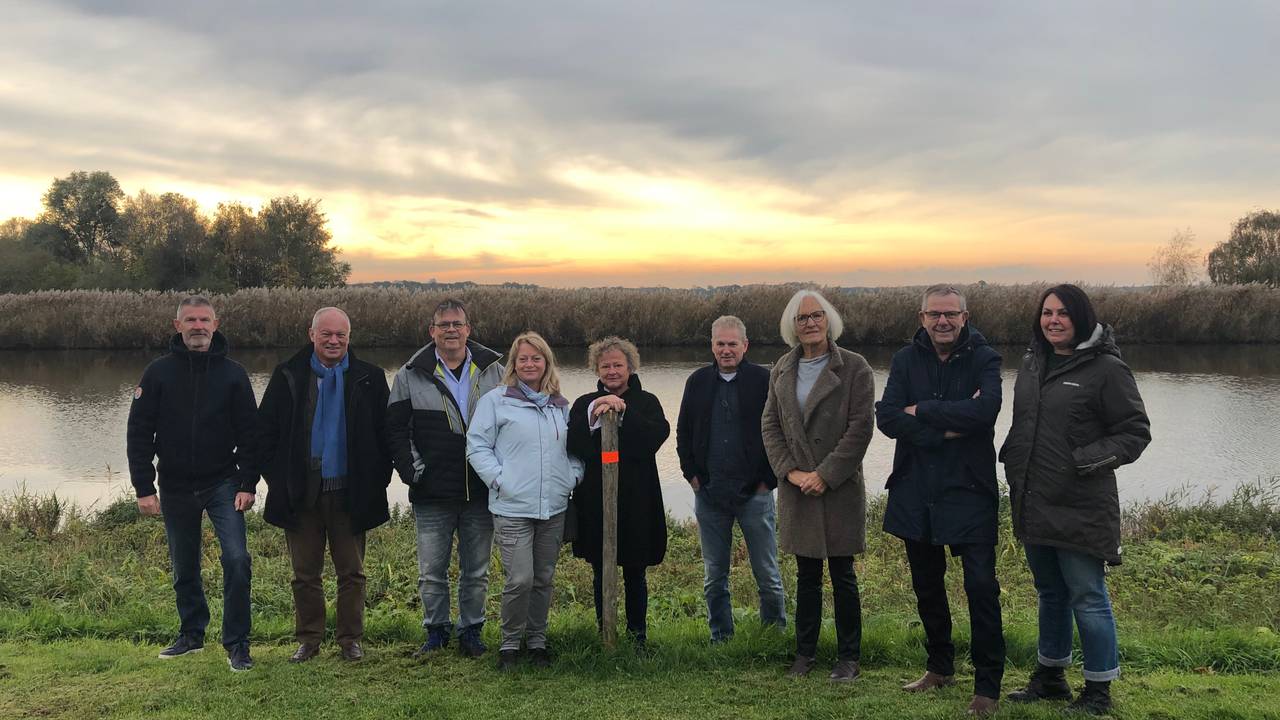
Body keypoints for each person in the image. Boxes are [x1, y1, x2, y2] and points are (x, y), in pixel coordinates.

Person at [1000, 284, 1151, 715]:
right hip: (1033, 498)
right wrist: (1012, 456)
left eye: (1063, 313)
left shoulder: (1106, 368)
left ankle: (1099, 689)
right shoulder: (1032, 363)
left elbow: (1135, 433)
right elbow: (1025, 424)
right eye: (1047, 312)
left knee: (1087, 594)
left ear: (1081, 318)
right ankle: (1050, 677)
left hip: (1081, 503)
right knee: (1049, 592)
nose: (1053, 320)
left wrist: (1082, 461)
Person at [874, 284, 1005, 715]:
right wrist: (950, 424)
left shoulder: (985, 358)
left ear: (965, 318)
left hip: (970, 490)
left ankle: (987, 686)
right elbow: (888, 417)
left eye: (951, 314)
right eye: (935, 315)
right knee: (927, 586)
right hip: (917, 489)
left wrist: (922, 411)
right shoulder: (904, 359)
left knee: (981, 587)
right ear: (922, 318)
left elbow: (985, 413)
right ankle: (940, 667)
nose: (943, 322)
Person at [126, 295, 258, 671]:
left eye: (204, 320)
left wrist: (248, 482)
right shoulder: (157, 373)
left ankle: (237, 643)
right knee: (184, 566)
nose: (198, 326)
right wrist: (143, 487)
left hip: (223, 483)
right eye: (190, 320)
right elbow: (138, 432)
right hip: (175, 484)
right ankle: (191, 633)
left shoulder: (233, 373)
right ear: (177, 325)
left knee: (236, 559)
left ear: (215, 326)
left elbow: (251, 434)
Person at [255, 307, 392, 663]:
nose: (334, 341)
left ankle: (350, 640)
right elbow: (265, 433)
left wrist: (378, 480)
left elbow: (386, 436)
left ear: (349, 337)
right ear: (311, 334)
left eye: (341, 335)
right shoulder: (288, 375)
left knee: (352, 572)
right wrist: (276, 479)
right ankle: (309, 640)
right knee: (304, 573)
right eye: (326, 334)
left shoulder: (370, 378)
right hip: (302, 492)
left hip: (351, 491)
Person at [762, 289, 876, 682]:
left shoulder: (855, 368)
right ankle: (804, 655)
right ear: (792, 326)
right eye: (802, 318)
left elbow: (861, 428)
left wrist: (824, 475)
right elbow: (770, 425)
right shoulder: (781, 368)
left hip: (838, 487)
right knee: (806, 576)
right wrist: (790, 473)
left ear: (829, 320)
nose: (810, 323)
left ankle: (849, 659)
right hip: (797, 489)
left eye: (816, 316)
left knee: (843, 575)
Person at [387, 298, 504, 658]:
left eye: (457, 324)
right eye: (443, 325)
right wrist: (414, 473)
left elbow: (514, 422)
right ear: (431, 331)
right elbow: (395, 431)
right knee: (431, 572)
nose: (451, 330)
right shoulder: (410, 373)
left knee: (477, 571)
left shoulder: (496, 370)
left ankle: (471, 631)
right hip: (432, 492)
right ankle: (436, 631)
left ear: (468, 329)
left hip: (481, 491)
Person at [466, 331, 583, 670]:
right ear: (513, 365)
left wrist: (572, 477)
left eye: (536, 358)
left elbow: (575, 452)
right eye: (523, 359)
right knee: (520, 579)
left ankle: (537, 642)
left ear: (547, 363)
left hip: (553, 508)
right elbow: (476, 446)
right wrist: (500, 480)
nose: (530, 364)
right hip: (511, 507)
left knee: (544, 577)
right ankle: (508, 645)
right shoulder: (497, 400)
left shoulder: (560, 405)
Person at [676, 315, 786, 642]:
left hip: (756, 495)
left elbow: (781, 432)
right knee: (714, 576)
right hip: (710, 495)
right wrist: (694, 478)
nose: (726, 350)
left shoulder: (764, 380)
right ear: (712, 346)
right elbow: (683, 433)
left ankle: (773, 637)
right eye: (720, 344)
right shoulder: (697, 382)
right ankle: (721, 638)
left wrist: (769, 481)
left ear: (745, 346)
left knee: (767, 574)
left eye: (732, 344)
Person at [567, 336, 670, 647]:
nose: (612, 371)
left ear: (630, 367)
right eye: (605, 365)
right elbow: (574, 446)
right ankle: (605, 632)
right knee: (601, 570)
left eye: (618, 365)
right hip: (596, 501)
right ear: (596, 369)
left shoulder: (648, 401)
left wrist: (624, 412)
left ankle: (637, 636)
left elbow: (653, 439)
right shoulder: (584, 403)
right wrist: (595, 417)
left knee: (635, 572)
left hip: (637, 500)